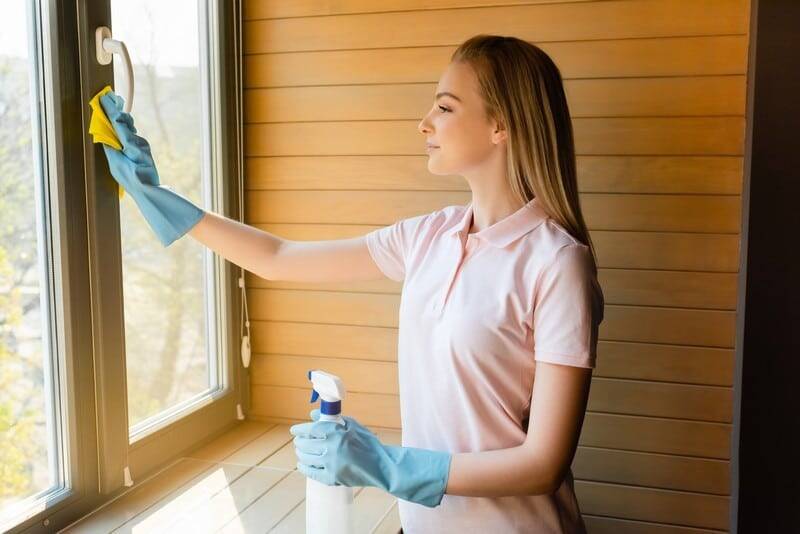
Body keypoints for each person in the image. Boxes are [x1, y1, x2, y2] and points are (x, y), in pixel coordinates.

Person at [98, 33, 604, 534]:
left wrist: (387, 465)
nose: (424, 122)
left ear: (501, 125)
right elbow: (279, 258)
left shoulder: (558, 263)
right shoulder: (430, 236)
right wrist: (159, 198)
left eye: (445, 107)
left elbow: (543, 464)